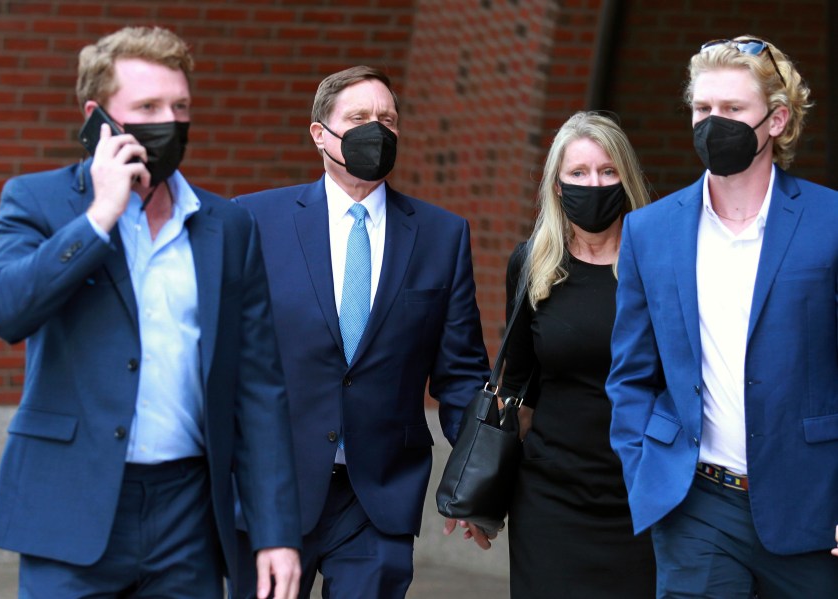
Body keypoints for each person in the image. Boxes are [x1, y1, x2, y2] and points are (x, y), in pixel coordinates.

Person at [0, 26, 301, 598]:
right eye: (147, 106)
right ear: (97, 118)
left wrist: (276, 533)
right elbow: (5, 310)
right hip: (71, 506)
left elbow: (259, 388)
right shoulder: (38, 201)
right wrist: (100, 216)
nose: (169, 122)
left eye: (180, 106)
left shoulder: (227, 226)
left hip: (188, 514)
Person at [232, 65, 491, 598]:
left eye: (387, 119)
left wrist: (477, 483)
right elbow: (223, 358)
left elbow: (462, 373)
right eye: (358, 118)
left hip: (379, 495)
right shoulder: (254, 221)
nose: (376, 129)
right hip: (273, 490)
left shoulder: (441, 236)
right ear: (319, 133)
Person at [606, 35, 838, 597]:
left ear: (777, 120)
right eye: (703, 109)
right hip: (697, 505)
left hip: (812, 509)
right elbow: (631, 372)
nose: (714, 122)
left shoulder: (830, 221)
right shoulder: (650, 230)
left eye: (733, 110)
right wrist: (648, 474)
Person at [495, 112, 655, 597]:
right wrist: (487, 495)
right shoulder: (533, 264)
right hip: (550, 497)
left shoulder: (657, 263)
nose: (595, 184)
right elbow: (519, 388)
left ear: (626, 179)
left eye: (608, 172)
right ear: (558, 186)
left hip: (641, 495)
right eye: (579, 174)